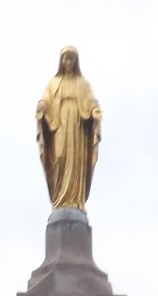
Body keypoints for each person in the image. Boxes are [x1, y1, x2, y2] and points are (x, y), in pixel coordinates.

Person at [36, 46, 102, 211]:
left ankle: (75, 200)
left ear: (76, 61)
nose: (69, 62)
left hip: (77, 125)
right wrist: (42, 108)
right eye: (66, 58)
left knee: (75, 160)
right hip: (59, 123)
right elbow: (46, 100)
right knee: (59, 157)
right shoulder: (54, 84)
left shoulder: (83, 84)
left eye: (72, 59)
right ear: (61, 61)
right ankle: (60, 198)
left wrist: (94, 110)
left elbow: (91, 101)